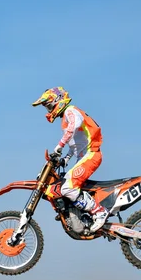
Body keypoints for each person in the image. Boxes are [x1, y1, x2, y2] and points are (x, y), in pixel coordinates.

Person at [32, 86, 109, 233]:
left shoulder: (70, 111)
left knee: (67, 188)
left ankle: (99, 212)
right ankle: (72, 212)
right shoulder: (66, 116)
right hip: (85, 156)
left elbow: (74, 126)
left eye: (48, 105)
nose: (48, 109)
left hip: (91, 155)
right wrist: (66, 158)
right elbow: (77, 144)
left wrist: (59, 145)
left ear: (57, 101)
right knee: (63, 184)